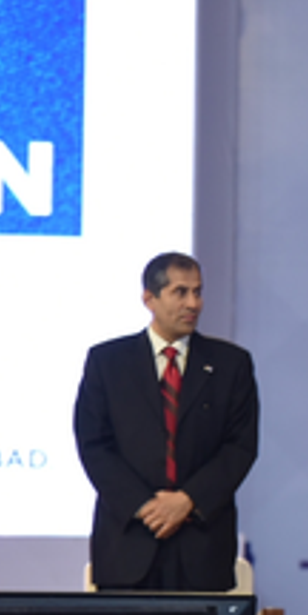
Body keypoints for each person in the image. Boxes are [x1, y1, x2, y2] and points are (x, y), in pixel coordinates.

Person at [73, 252, 259, 591]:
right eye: (180, 292)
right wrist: (146, 507)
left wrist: (187, 501)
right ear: (150, 298)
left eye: (198, 292)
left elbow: (240, 447)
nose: (193, 303)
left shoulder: (232, 364)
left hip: (202, 547)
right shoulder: (108, 362)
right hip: (128, 544)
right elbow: (94, 445)